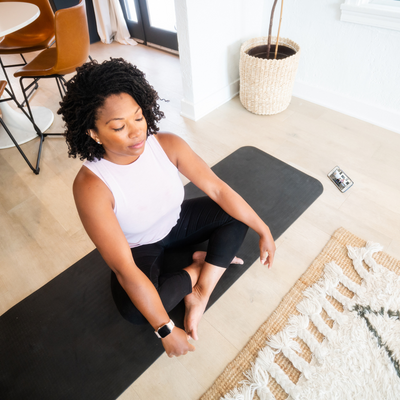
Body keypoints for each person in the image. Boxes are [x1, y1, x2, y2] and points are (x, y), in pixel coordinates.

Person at [59, 58, 276, 358]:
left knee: (234, 216)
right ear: (93, 133)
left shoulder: (167, 144)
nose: (136, 132)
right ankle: (197, 266)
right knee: (136, 313)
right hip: (138, 248)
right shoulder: (90, 186)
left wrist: (263, 229)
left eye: (138, 117)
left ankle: (201, 290)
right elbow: (124, 270)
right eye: (119, 127)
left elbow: (217, 189)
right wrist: (165, 329)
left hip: (177, 222)